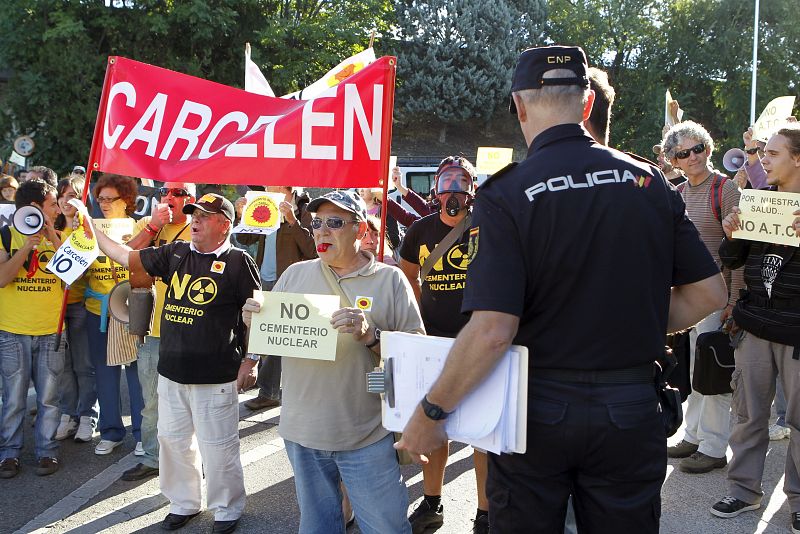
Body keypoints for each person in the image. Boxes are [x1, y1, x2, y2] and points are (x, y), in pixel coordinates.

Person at [396, 45, 728, 533]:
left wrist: (431, 410)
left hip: (538, 408)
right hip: (629, 403)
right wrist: (631, 325)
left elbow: (492, 330)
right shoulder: (647, 180)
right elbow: (709, 295)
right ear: (587, 104)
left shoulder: (508, 192)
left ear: (520, 106)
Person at [242, 190, 424, 534]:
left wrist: (373, 336)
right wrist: (254, 323)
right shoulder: (295, 274)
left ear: (360, 229)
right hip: (302, 434)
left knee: (387, 528)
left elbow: (416, 351)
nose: (322, 231)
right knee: (318, 527)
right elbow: (267, 335)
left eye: (335, 223)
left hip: (367, 436)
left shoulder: (390, 279)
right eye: (316, 223)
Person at [89, 192, 260, 534]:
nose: (195, 220)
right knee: (174, 441)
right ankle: (184, 503)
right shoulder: (176, 252)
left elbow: (257, 317)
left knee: (219, 445)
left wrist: (251, 360)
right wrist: (89, 227)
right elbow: (127, 257)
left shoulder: (240, 262)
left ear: (224, 225)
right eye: (195, 214)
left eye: (205, 216)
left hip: (216, 373)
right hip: (172, 370)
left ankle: (226, 508)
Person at [709, 125, 800, 532]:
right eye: (764, 152)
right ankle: (744, 490)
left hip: (796, 332)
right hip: (755, 326)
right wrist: (730, 235)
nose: (764, 159)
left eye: (774, 153)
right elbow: (733, 258)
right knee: (748, 415)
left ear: (797, 158)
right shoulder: (761, 202)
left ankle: (797, 499)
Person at [398, 156, 489, 534]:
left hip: (478, 344)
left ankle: (485, 513)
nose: (453, 190)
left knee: (482, 433)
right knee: (434, 425)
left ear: (472, 188)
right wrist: (420, 329)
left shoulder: (487, 225)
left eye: (461, 181)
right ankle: (432, 502)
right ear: (435, 189)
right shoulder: (419, 230)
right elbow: (407, 282)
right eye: (447, 181)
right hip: (433, 344)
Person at [663, 120, 745, 474]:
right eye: (684, 153)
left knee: (712, 368)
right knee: (695, 367)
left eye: (698, 148)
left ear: (709, 149)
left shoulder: (726, 190)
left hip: (717, 295)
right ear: (675, 160)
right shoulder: (679, 194)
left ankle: (713, 446)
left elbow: (742, 249)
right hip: (688, 295)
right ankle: (693, 436)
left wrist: (734, 301)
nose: (693, 156)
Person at [118, 182, 196, 482]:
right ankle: (152, 457)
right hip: (153, 326)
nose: (170, 197)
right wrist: (152, 228)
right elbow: (126, 255)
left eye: (178, 193)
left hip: (187, 326)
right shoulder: (147, 224)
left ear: (190, 199)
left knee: (188, 400)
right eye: (166, 192)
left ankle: (188, 458)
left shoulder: (197, 226)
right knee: (151, 399)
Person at [0, 179, 65, 478]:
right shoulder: (4, 235)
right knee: (13, 397)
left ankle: (47, 452)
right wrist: (26, 246)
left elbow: (72, 277)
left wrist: (52, 235)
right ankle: (9, 454)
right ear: (36, 207)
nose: (57, 208)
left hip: (51, 329)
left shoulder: (60, 237)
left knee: (49, 397)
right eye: (53, 204)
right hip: (13, 330)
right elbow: (3, 278)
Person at [237, 186, 317, 412]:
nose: (265, 185)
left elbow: (314, 250)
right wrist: (242, 214)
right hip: (265, 279)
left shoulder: (306, 209)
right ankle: (269, 392)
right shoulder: (264, 203)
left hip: (294, 284)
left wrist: (293, 221)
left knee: (286, 339)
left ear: (287, 185)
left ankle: (282, 392)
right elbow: (245, 237)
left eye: (271, 182)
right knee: (266, 336)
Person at [83, 174, 145, 456]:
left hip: (131, 311)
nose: (104, 204)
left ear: (127, 201)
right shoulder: (86, 228)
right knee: (105, 374)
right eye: (101, 199)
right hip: (97, 311)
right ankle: (110, 431)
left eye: (111, 198)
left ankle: (143, 433)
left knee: (136, 373)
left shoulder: (140, 227)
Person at [53, 175, 98, 443]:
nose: (66, 200)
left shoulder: (87, 233)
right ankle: (67, 414)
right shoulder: (52, 231)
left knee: (84, 364)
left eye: (73, 195)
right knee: (62, 367)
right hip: (54, 309)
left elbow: (78, 271)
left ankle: (87, 416)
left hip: (80, 306)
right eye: (63, 195)